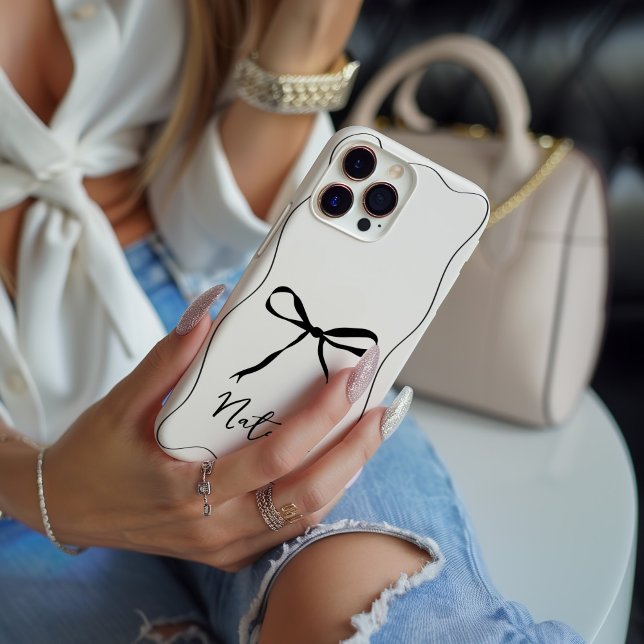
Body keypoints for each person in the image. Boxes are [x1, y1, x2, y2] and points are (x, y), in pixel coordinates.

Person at [0, 2, 584, 642]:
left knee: (385, 618)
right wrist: (37, 488)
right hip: (12, 456)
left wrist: (310, 24)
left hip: (229, 318)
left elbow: (206, 228)